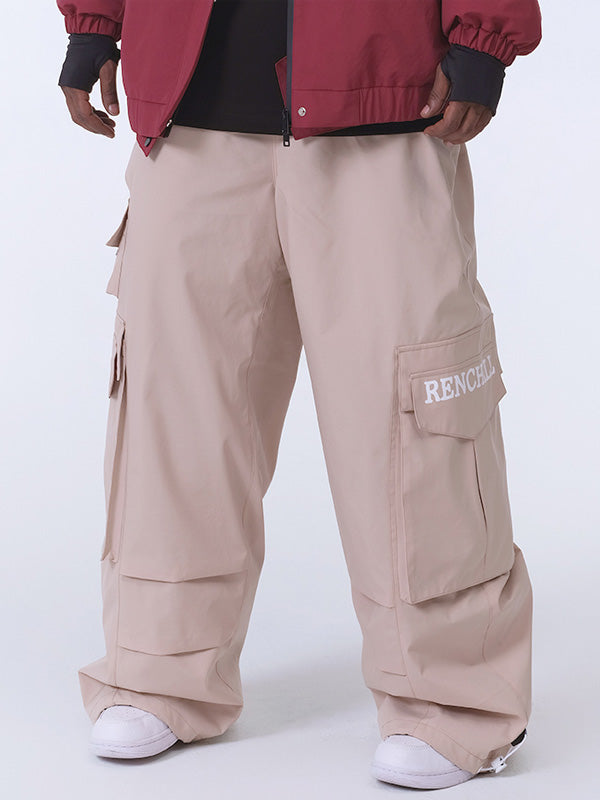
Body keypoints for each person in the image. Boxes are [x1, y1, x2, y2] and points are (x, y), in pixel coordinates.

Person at [56, 0, 542, 790]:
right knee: (172, 409)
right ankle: (158, 672)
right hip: (187, 113)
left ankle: (452, 699)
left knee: (410, 415)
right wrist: (94, 21)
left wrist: (484, 35)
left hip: (383, 109)